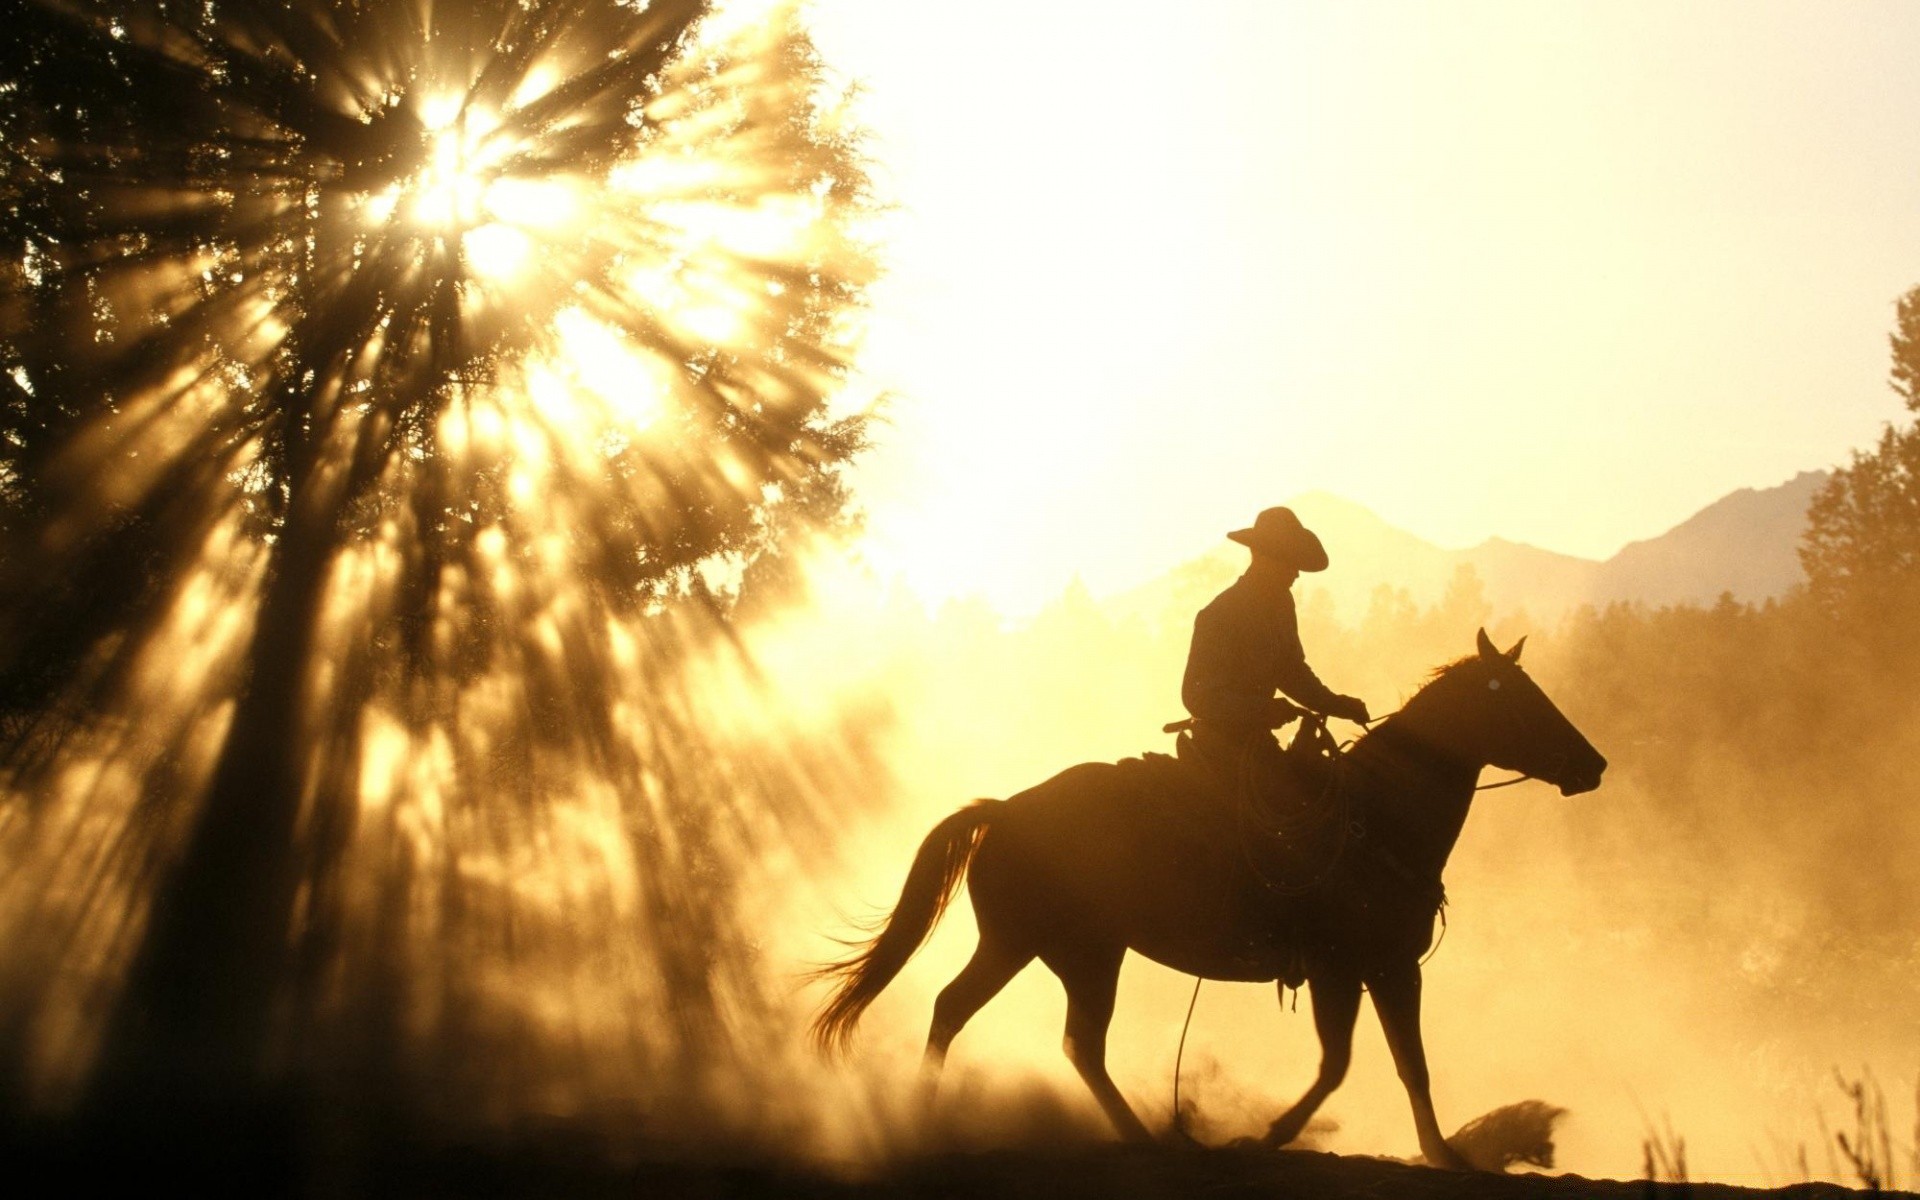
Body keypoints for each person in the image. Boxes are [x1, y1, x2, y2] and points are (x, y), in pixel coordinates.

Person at [1180, 506, 1369, 775]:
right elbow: (1198, 696)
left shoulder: (1281, 603)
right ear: (1266, 558)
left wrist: (1336, 704)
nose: (1296, 573)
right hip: (1221, 749)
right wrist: (1263, 709)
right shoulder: (1220, 614)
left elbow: (1291, 671)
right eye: (1290, 562)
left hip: (1256, 744)